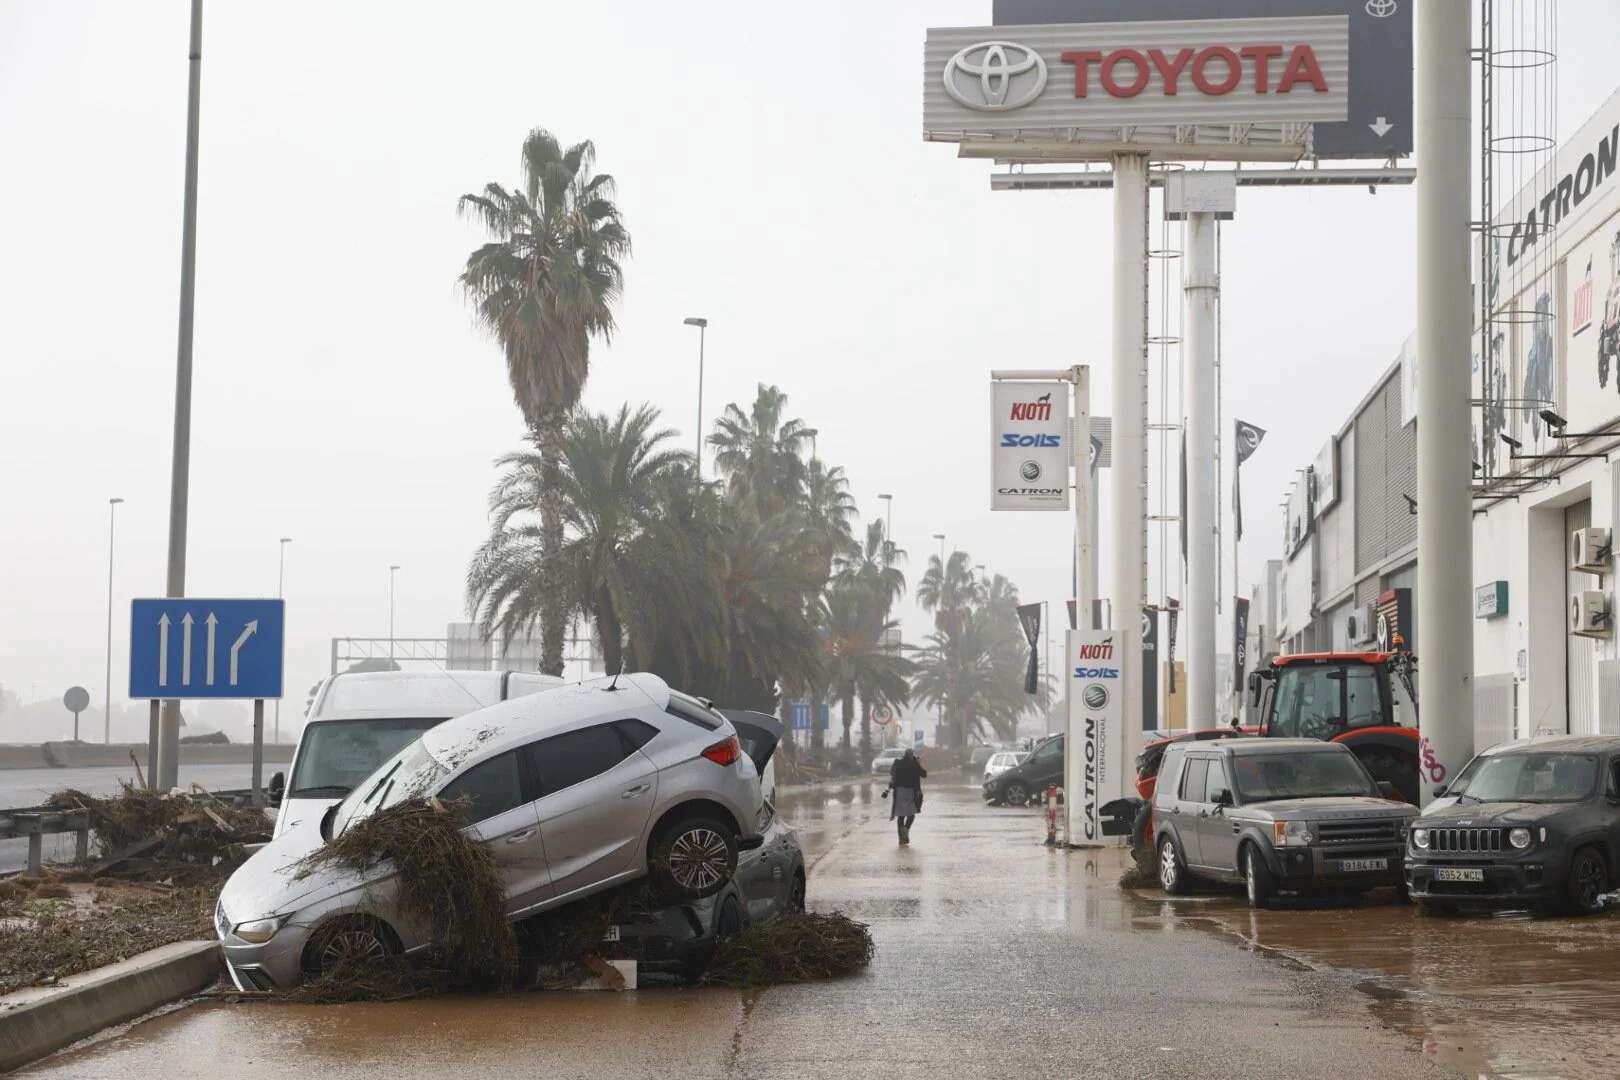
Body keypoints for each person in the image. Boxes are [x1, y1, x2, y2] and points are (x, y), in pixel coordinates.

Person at [887, 748, 926, 845]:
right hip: (911, 792)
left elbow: (892, 773)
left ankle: (901, 838)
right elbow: (924, 774)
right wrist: (919, 763)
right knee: (911, 814)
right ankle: (906, 829)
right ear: (911, 755)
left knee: (901, 815)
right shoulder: (914, 764)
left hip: (899, 791)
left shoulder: (897, 762)